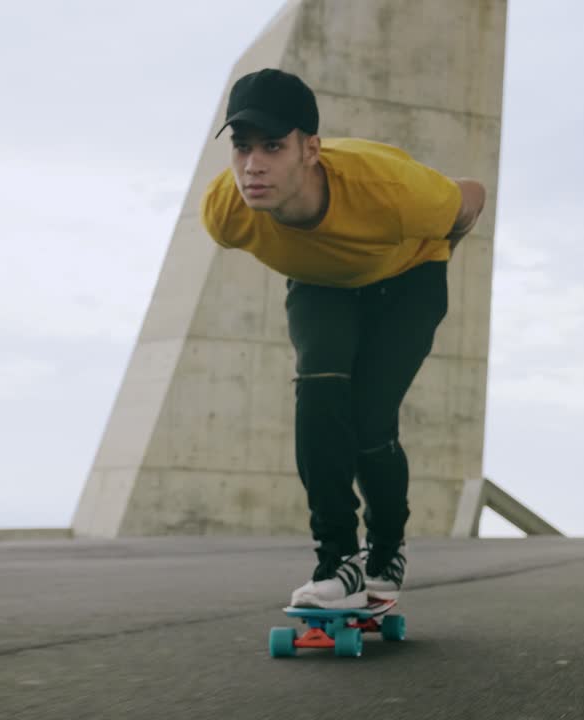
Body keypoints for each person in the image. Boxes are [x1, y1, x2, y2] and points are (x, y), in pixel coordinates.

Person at [199, 68, 486, 609]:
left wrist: (422, 251)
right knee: (320, 385)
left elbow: (473, 195)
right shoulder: (226, 212)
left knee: (370, 420)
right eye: (242, 147)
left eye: (273, 147)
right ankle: (338, 562)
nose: (253, 165)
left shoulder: (393, 192)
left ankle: (386, 549)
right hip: (321, 283)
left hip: (408, 280)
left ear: (310, 150)